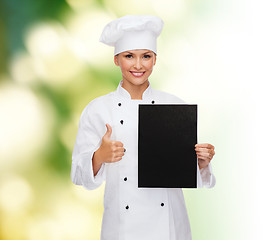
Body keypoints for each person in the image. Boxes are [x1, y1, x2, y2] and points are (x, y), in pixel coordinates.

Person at [71, 15, 216, 240]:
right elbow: (78, 175)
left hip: (169, 226)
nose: (138, 65)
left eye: (146, 56)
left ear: (155, 59)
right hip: (121, 228)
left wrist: (201, 162)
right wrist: (99, 155)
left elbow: (188, 173)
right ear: (116, 59)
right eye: (129, 56)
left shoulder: (175, 105)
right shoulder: (98, 109)